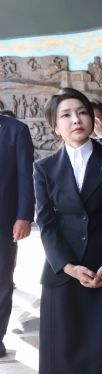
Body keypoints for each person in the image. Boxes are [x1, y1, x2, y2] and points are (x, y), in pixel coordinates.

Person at [34, 88, 102, 374]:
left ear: (92, 119)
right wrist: (68, 266)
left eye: (81, 112)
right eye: (65, 115)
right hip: (66, 276)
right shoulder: (44, 169)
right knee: (75, 357)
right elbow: (46, 224)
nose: (76, 120)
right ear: (55, 126)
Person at [0, 114, 34, 358]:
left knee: (1, 281)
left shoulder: (16, 130)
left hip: (3, 221)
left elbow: (25, 175)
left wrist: (24, 216)